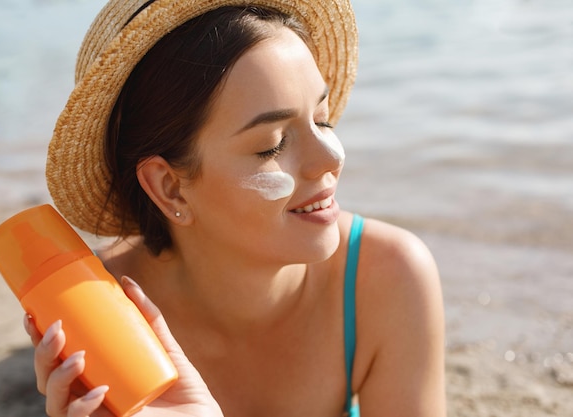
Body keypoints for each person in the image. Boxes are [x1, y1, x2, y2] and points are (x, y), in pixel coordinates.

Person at [23, 0, 446, 416]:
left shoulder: (387, 278)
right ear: (170, 188)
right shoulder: (105, 314)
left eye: (322, 119)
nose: (330, 159)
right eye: (272, 145)